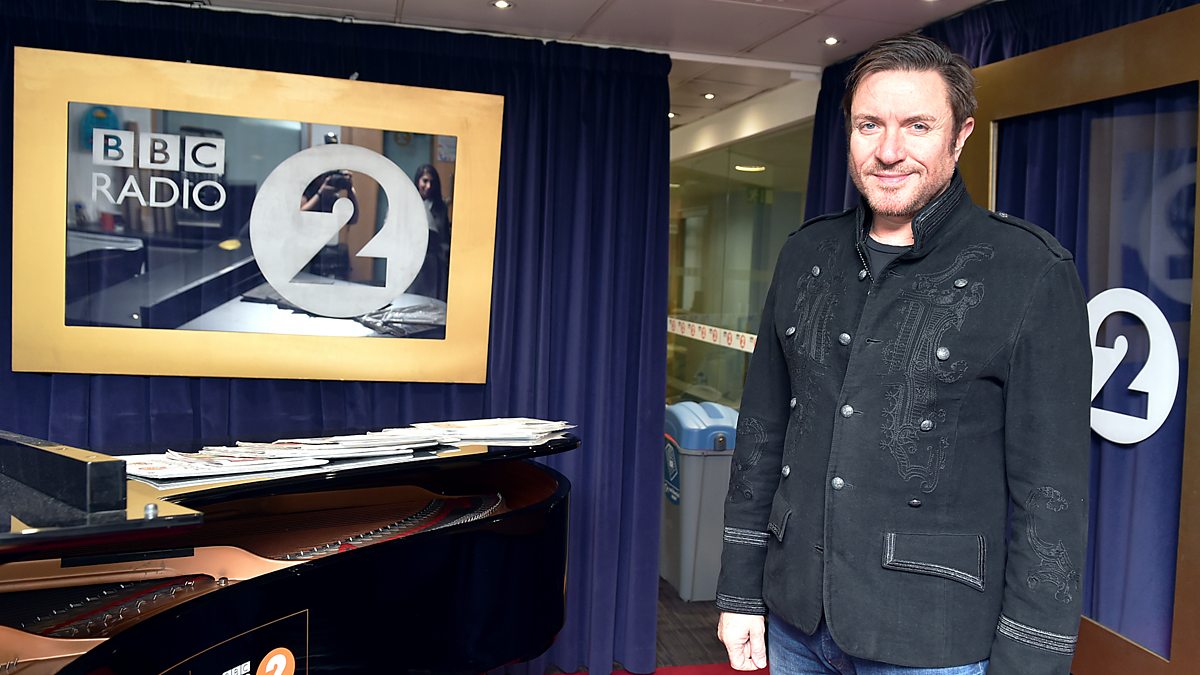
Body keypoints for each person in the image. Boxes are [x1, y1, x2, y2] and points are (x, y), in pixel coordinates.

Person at [715, 34, 1090, 675]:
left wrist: (1031, 663)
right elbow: (761, 436)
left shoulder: (1030, 270)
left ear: (960, 136)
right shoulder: (805, 253)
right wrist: (739, 591)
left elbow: (1051, 496)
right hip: (795, 619)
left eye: (918, 125)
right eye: (870, 125)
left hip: (934, 641)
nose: (889, 150)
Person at [406, 163, 451, 301]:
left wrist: (442, 254)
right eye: (425, 181)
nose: (428, 186)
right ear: (418, 181)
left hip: (434, 264)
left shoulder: (440, 207)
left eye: (432, 182)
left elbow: (445, 237)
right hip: (412, 263)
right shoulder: (408, 204)